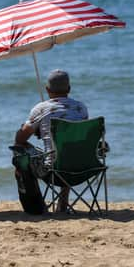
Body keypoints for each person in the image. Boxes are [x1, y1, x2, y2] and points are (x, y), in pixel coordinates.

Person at [14, 69, 88, 212]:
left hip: (52, 171)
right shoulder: (81, 108)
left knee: (19, 150)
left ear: (47, 89)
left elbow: (20, 138)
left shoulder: (41, 109)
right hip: (82, 168)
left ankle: (36, 207)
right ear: (69, 89)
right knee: (67, 151)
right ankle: (63, 203)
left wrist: (34, 128)